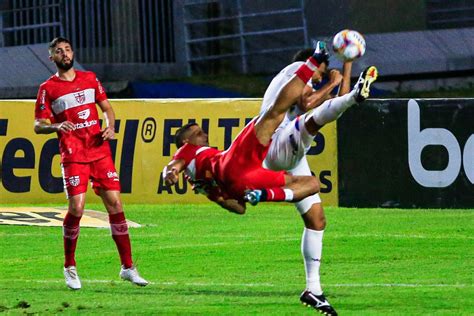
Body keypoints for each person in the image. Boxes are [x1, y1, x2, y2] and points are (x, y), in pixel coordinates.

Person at [254, 45, 378, 315]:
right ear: (312, 63)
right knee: (311, 119)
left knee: (317, 220)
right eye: (321, 72)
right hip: (275, 145)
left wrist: (347, 64)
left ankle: (313, 290)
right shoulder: (298, 72)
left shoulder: (303, 76)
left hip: (290, 148)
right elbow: (308, 103)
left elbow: (337, 101)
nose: (321, 78)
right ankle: (260, 192)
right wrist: (332, 83)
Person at [162, 44, 333, 215]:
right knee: (273, 113)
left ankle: (263, 195)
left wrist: (215, 195)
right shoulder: (187, 150)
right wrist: (170, 174)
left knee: (312, 184)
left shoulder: (201, 185)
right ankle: (314, 61)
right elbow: (172, 166)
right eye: (198, 133)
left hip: (241, 181)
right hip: (232, 162)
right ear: (185, 142)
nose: (204, 135)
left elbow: (239, 208)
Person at [34, 37, 148, 290]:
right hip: (74, 155)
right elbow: (38, 124)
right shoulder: (47, 88)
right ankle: (69, 267)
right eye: (58, 52)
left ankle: (128, 267)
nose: (64, 54)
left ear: (73, 53)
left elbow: (107, 108)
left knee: (116, 204)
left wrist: (111, 126)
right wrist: (55, 125)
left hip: (99, 151)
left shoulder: (89, 78)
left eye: (67, 49)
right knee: (76, 208)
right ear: (51, 58)